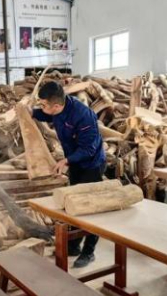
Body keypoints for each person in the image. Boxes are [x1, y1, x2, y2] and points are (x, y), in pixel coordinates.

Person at [32, 80, 106, 268]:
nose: (41, 106)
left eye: (43, 104)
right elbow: (44, 115)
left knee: (90, 209)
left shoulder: (83, 116)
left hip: (91, 164)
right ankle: (73, 246)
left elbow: (89, 149)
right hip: (75, 162)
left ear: (56, 105)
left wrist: (66, 161)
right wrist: (29, 112)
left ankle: (89, 252)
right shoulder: (57, 109)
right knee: (72, 204)